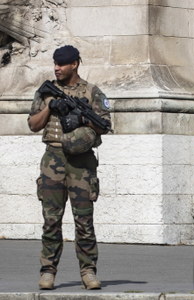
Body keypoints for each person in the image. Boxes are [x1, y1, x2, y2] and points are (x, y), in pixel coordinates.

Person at [28, 45, 112, 290]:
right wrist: (50, 107)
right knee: (51, 220)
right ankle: (48, 272)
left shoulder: (92, 92)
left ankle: (88, 271)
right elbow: (33, 124)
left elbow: (105, 124)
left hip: (81, 163)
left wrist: (82, 118)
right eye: (55, 63)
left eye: (62, 64)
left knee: (84, 221)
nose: (57, 68)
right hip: (53, 160)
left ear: (74, 64)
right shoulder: (45, 92)